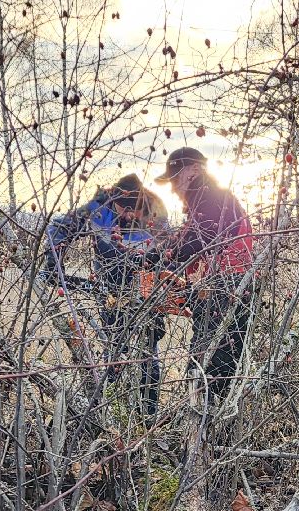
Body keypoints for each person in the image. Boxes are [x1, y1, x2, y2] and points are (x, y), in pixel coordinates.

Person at [141, 147, 254, 413]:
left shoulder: (213, 199)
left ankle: (205, 434)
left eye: (175, 178)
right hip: (222, 290)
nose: (172, 188)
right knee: (207, 368)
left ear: (194, 169)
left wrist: (155, 261)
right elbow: (190, 245)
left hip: (227, 291)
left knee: (206, 372)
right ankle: (205, 430)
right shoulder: (205, 203)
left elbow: (190, 245)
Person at [41, 175, 168, 408]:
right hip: (108, 288)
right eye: (124, 208)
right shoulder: (98, 207)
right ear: (114, 198)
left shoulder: (157, 212)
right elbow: (60, 226)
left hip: (144, 290)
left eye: (135, 209)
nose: (129, 215)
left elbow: (170, 255)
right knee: (116, 349)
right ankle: (114, 406)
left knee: (147, 353)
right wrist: (53, 261)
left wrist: (158, 294)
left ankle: (147, 415)